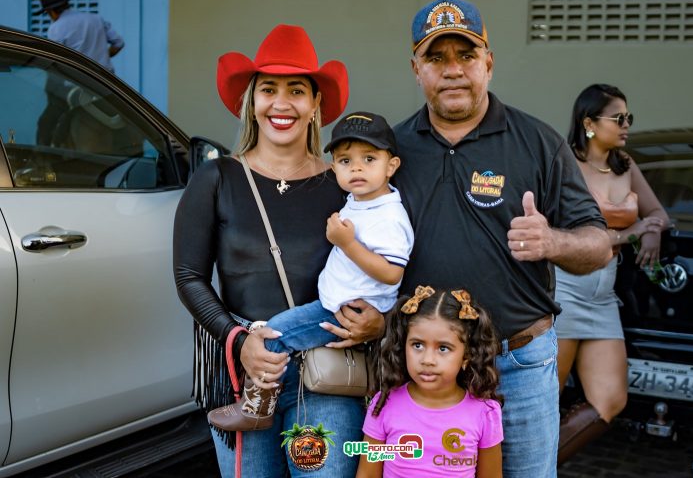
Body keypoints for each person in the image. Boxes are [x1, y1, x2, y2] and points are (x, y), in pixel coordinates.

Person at [392, 0, 613, 477]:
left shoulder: (537, 142)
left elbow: (598, 246)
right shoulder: (392, 151)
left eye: (465, 55)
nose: (452, 70)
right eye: (436, 57)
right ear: (416, 69)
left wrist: (551, 243)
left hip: (519, 365)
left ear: (488, 63)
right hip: (423, 368)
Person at [173, 24, 385, 478]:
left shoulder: (346, 185)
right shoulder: (217, 179)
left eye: (296, 90)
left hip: (326, 374)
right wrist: (238, 340)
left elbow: (388, 264)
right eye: (268, 89)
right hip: (243, 377)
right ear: (252, 101)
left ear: (315, 106)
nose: (282, 103)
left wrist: (378, 320)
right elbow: (189, 276)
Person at [207, 111, 413, 433]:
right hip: (337, 302)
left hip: (343, 310)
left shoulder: (389, 216)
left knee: (275, 333)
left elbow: (391, 274)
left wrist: (345, 243)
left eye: (369, 159)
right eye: (345, 161)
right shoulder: (361, 200)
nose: (356, 168)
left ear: (392, 166)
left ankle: (256, 407)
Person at [555, 84, 669, 464]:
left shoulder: (625, 165)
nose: (626, 126)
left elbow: (659, 214)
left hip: (604, 296)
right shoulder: (565, 164)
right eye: (618, 118)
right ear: (588, 123)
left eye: (629, 118)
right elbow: (566, 231)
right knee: (544, 397)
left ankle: (530, 469)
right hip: (565, 289)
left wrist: (650, 229)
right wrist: (630, 233)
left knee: (609, 399)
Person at [356, 286, 503, 478]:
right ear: (403, 346)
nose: (427, 359)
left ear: (467, 355)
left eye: (443, 348)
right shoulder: (383, 404)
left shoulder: (485, 413)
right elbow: (367, 474)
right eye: (417, 345)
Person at [35, 0, 125, 145]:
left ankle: (41, 157)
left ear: (50, 11)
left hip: (77, 87)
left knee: (46, 123)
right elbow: (118, 43)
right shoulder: (96, 18)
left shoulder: (56, 28)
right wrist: (102, 57)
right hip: (106, 84)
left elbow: (55, 61)